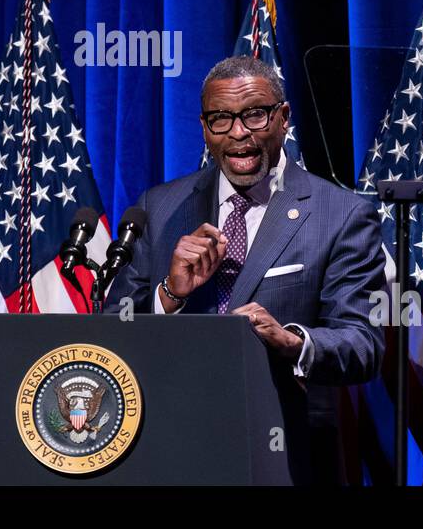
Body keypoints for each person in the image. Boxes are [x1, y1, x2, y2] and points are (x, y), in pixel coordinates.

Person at [105, 55, 385, 483]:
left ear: (284, 117)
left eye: (255, 114)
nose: (239, 133)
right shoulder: (159, 208)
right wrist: (169, 296)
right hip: (172, 449)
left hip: (285, 452)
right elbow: (112, 332)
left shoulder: (341, 214)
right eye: (221, 119)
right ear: (204, 128)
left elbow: (362, 343)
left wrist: (291, 340)